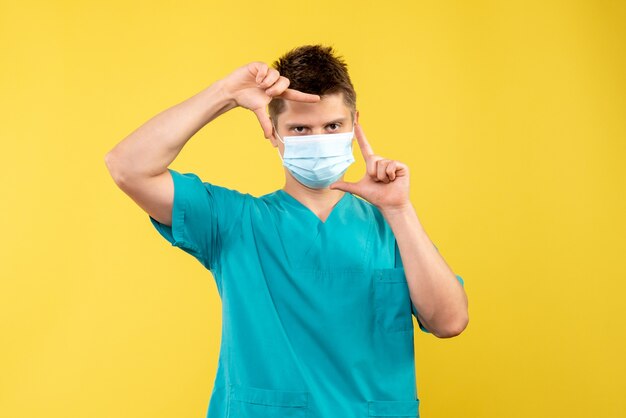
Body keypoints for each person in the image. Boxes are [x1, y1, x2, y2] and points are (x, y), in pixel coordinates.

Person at [105, 44, 469, 418]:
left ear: (354, 124)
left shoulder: (390, 227)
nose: (318, 139)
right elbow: (128, 167)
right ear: (274, 133)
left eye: (332, 126)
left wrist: (399, 210)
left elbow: (449, 321)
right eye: (300, 129)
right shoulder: (235, 222)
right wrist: (226, 94)